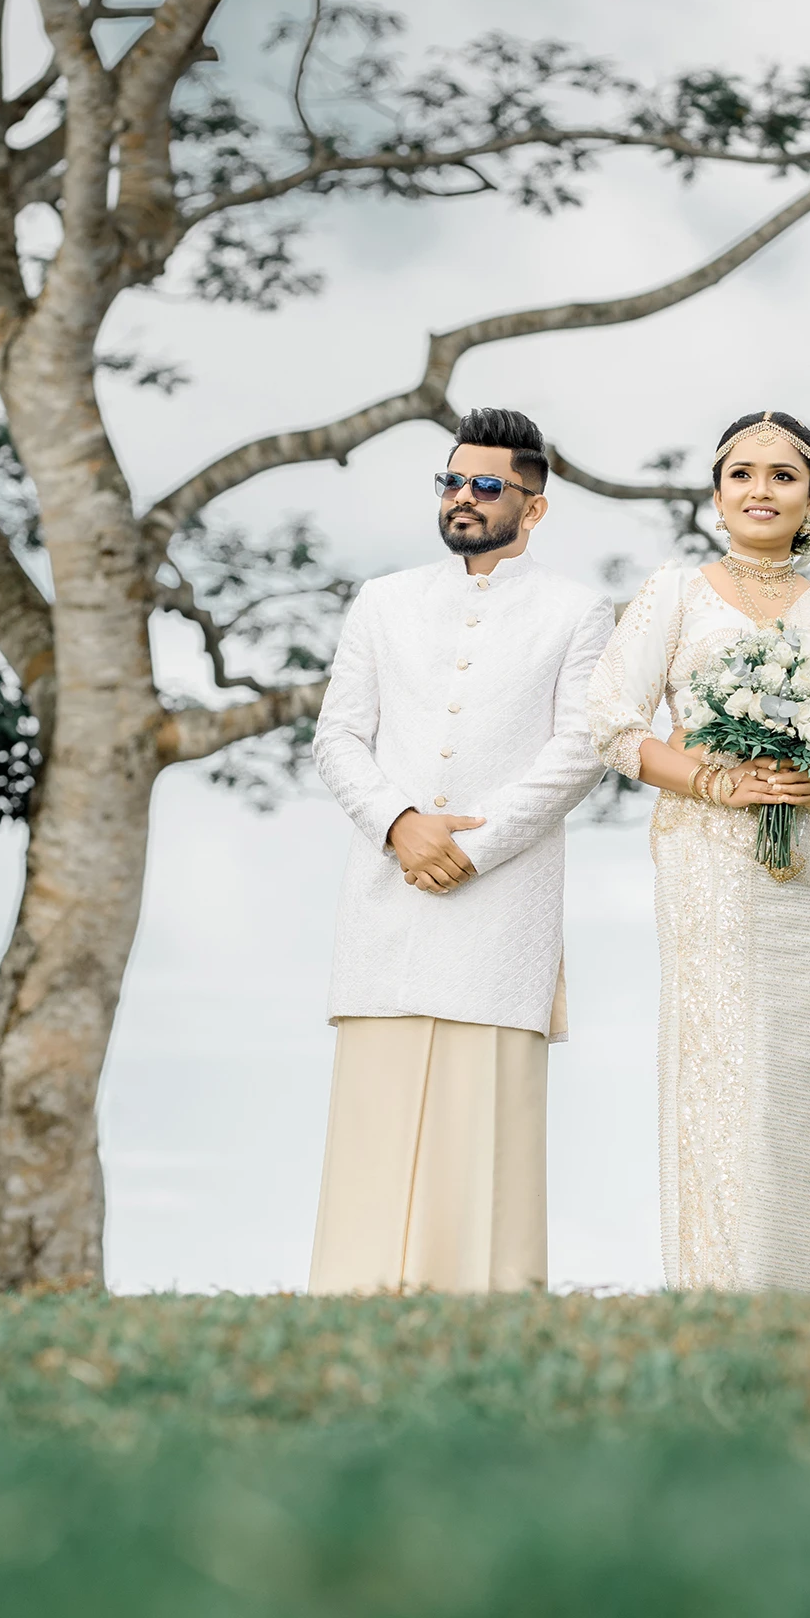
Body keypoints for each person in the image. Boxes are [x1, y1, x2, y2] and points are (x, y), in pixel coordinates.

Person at [587, 410, 810, 1293]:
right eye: (742, 474)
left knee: (794, 1085)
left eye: (782, 476)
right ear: (716, 492)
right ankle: (712, 1288)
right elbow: (612, 726)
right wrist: (714, 782)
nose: (760, 491)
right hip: (709, 864)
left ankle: (785, 1292)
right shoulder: (675, 595)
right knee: (724, 1072)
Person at [309, 407, 614, 1296]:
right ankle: (351, 1295)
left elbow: (581, 748)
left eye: (487, 486)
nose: (465, 500)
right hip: (389, 887)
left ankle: (488, 1297)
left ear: (536, 504)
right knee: (376, 1104)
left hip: (501, 897)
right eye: (451, 482)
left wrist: (473, 848)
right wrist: (401, 825)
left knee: (484, 1117)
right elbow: (338, 738)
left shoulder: (577, 611)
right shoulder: (383, 601)